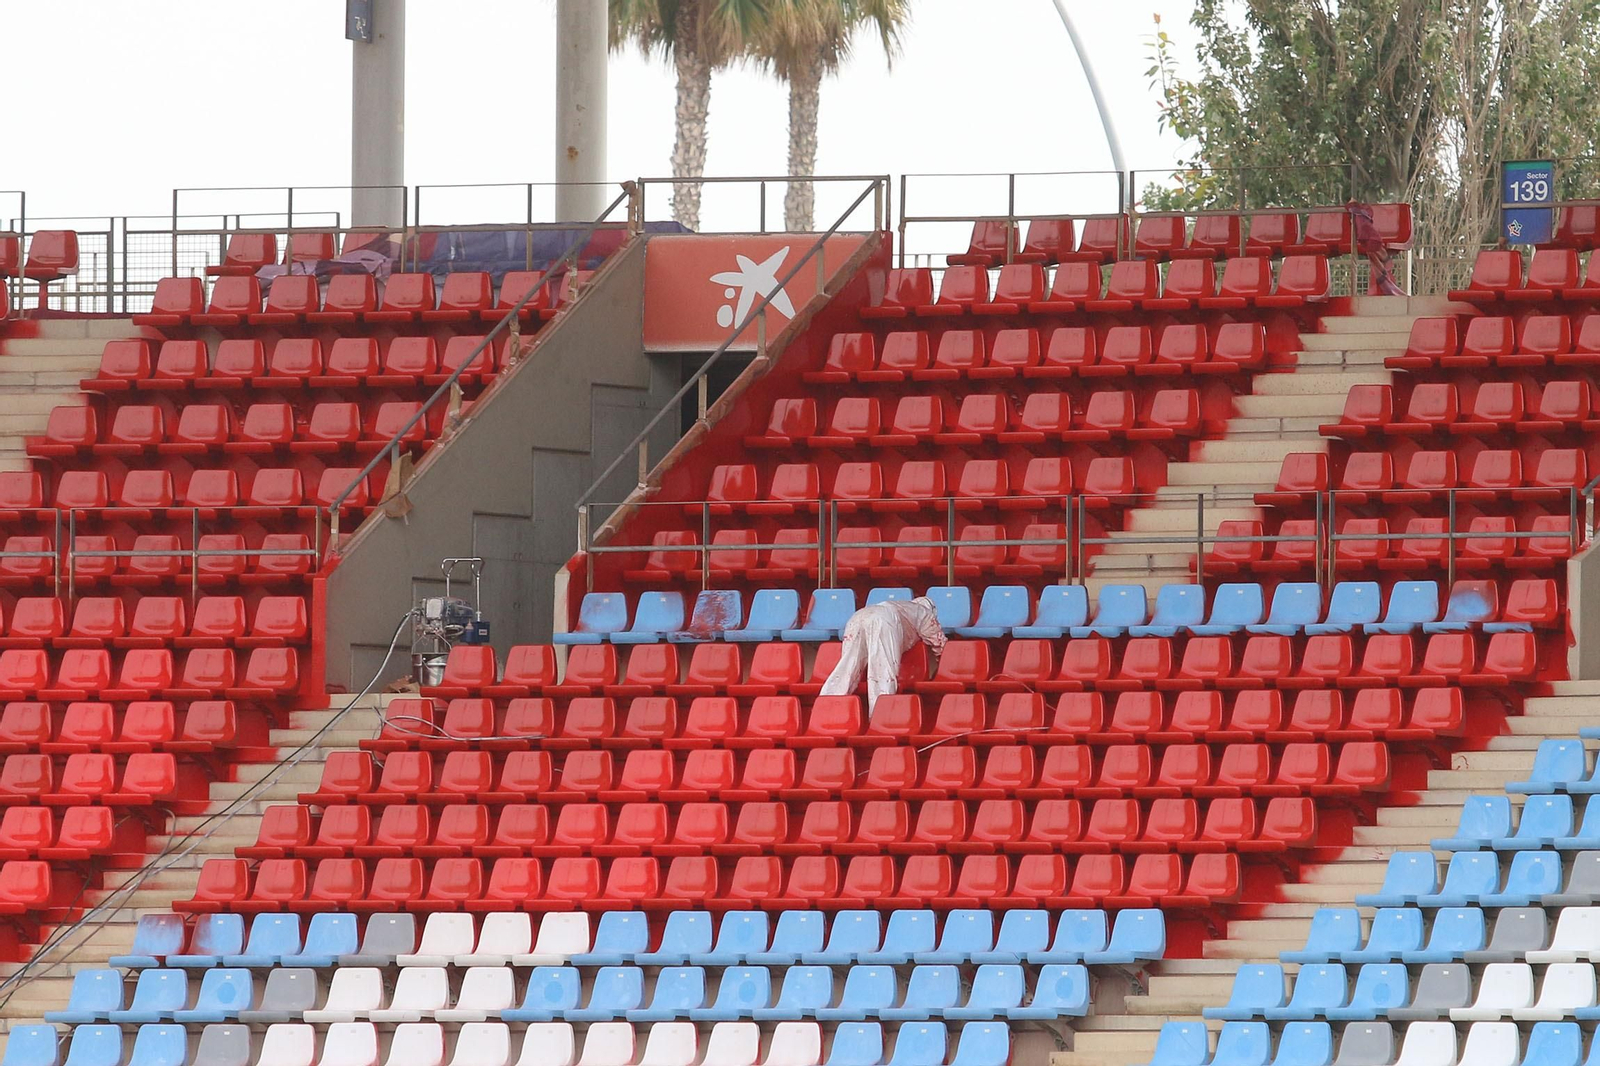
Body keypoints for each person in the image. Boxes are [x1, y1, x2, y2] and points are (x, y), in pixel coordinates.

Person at [819, 596, 947, 715]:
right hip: (884, 620)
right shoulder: (924, 612)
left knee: (845, 669)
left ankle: (826, 711)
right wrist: (941, 668)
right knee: (882, 675)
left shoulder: (904, 607)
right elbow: (940, 643)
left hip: (858, 616)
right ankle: (879, 718)